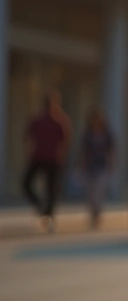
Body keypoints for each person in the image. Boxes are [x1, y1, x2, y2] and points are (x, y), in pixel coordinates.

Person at [24, 91, 72, 232]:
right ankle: (40, 205)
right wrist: (28, 152)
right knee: (26, 183)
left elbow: (65, 141)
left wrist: (61, 155)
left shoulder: (60, 121)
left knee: (51, 190)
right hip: (38, 157)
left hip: (53, 159)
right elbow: (28, 137)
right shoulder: (37, 120)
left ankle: (48, 216)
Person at [80, 109, 114, 229]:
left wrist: (111, 164)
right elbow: (84, 151)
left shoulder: (106, 134)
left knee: (99, 192)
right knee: (90, 192)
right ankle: (92, 213)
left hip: (101, 166)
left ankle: (97, 214)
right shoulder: (88, 134)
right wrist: (82, 165)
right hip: (90, 166)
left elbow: (111, 150)